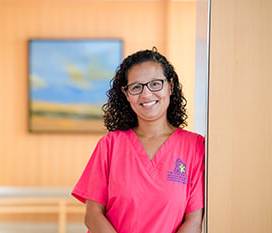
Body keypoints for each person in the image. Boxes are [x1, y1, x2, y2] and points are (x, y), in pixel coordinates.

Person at [72, 47, 205, 233]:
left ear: (170, 86)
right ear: (126, 94)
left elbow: (193, 222)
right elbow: (93, 215)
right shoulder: (110, 145)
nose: (146, 94)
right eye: (136, 87)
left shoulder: (195, 147)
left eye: (155, 84)